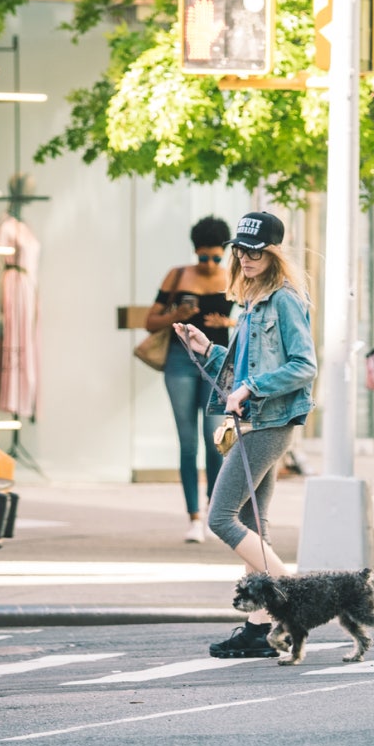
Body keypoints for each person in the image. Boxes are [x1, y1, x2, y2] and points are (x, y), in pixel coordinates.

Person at [178, 211, 317, 658]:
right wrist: (207, 349)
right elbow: (242, 370)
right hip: (255, 421)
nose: (246, 257)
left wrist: (252, 388)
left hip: (270, 423)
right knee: (254, 525)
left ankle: (291, 601)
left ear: (273, 253)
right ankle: (259, 629)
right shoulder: (252, 301)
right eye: (241, 250)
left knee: (220, 518)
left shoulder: (285, 300)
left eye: (255, 251)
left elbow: (304, 366)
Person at [145, 215, 234, 543]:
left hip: (217, 362)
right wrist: (176, 315)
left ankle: (213, 510)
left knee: (215, 438)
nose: (209, 265)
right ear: (195, 251)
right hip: (181, 361)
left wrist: (228, 324)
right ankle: (193, 517)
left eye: (216, 258)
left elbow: (251, 319)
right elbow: (150, 321)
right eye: (203, 257)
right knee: (187, 442)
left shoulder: (232, 277)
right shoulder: (178, 275)